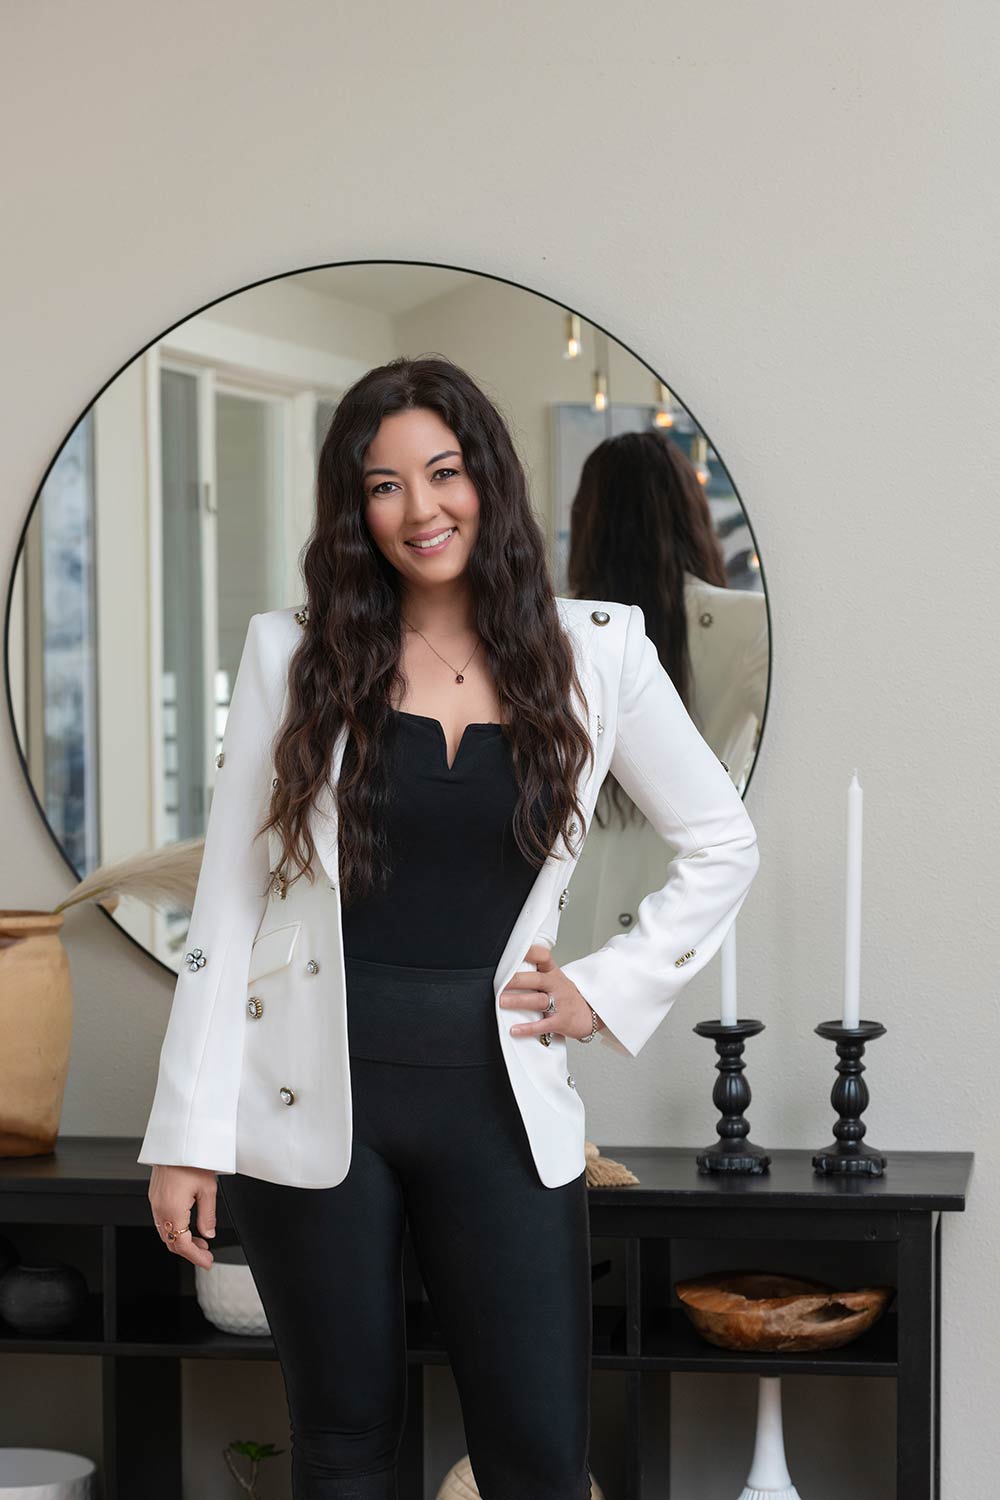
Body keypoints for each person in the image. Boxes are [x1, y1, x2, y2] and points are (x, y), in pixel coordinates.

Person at [144, 354, 760, 1499]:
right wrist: (186, 1131)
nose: (419, 509)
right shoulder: (293, 653)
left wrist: (608, 984)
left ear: (488, 476)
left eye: (443, 472)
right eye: (383, 485)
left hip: (498, 1101)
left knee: (534, 1456)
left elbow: (724, 842)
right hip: (312, 1101)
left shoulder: (597, 652)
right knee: (343, 1448)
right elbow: (229, 901)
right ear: (353, 507)